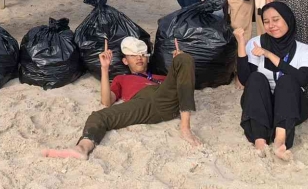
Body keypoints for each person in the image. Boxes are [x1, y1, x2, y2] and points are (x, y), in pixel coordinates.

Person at [42, 37, 200, 160]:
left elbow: (185, 86)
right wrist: (104, 69)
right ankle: (82, 148)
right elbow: (106, 101)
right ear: (125, 60)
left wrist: (179, 64)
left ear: (147, 59)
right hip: (142, 104)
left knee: (184, 58)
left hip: (166, 98)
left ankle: (185, 127)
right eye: (133, 55)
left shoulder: (161, 76)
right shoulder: (122, 79)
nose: (139, 58)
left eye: (142, 55)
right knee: (98, 116)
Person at [235, 2, 308, 161]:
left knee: (287, 81)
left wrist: (269, 54)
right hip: (262, 106)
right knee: (256, 78)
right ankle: (260, 140)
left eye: (276, 19)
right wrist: (241, 44)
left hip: (291, 105)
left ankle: (280, 141)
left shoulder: (306, 50)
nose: (271, 25)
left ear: (288, 20)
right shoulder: (256, 43)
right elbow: (246, 80)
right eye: (266, 21)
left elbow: (302, 79)